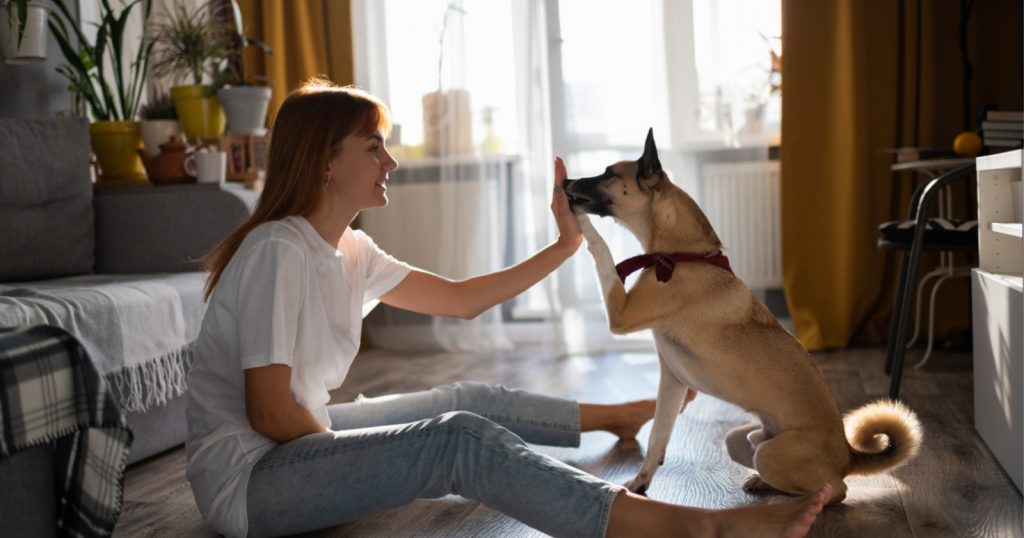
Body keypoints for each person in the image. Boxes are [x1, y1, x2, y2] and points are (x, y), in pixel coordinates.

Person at [185, 78, 830, 538]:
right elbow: (268, 411)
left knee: (461, 401)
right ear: (324, 163)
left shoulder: (349, 249)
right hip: (253, 483)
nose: (393, 161)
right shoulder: (278, 250)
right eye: (374, 148)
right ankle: (691, 528)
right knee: (457, 441)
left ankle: (616, 416)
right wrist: (360, 459)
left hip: (299, 443)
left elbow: (464, 301)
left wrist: (566, 244)